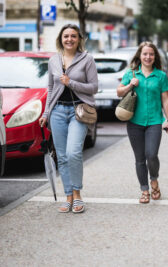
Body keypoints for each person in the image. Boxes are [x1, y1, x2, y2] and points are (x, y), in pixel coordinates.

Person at [39, 24, 98, 213]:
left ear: (79, 39)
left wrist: (70, 82)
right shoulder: (53, 61)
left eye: (73, 36)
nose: (69, 39)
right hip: (57, 112)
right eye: (66, 36)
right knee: (62, 157)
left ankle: (78, 193)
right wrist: (46, 113)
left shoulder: (87, 59)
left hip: (78, 111)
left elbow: (94, 87)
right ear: (61, 39)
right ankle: (68, 196)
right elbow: (50, 89)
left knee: (74, 153)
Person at [117, 41, 168, 204]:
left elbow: (166, 99)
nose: (148, 57)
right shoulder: (131, 73)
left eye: (151, 54)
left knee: (152, 154)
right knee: (140, 158)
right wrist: (129, 85)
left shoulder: (161, 75)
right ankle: (144, 190)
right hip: (134, 122)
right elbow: (118, 91)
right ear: (139, 56)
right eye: (145, 54)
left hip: (155, 121)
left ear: (154, 56)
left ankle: (154, 179)